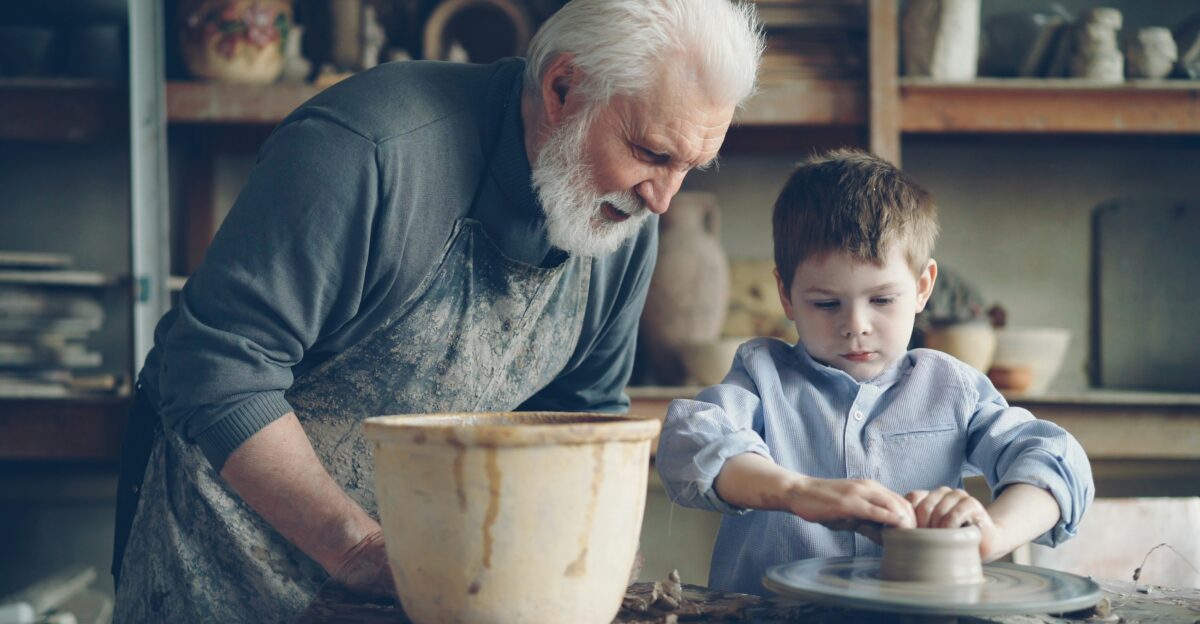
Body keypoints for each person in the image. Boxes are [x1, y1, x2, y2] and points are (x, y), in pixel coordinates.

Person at [111, 1, 765, 621]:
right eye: (652, 152)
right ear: (563, 87)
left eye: (690, 167)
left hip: (421, 585)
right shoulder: (367, 151)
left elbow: (578, 413)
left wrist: (582, 557)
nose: (663, 200)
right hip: (225, 570)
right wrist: (359, 551)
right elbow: (220, 369)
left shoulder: (624, 220)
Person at [655, 150, 1094, 596]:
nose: (855, 326)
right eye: (826, 303)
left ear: (923, 287)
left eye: (882, 300)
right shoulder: (762, 375)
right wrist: (796, 492)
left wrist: (992, 531)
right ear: (785, 295)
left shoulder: (951, 387)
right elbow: (691, 441)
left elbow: (1056, 460)